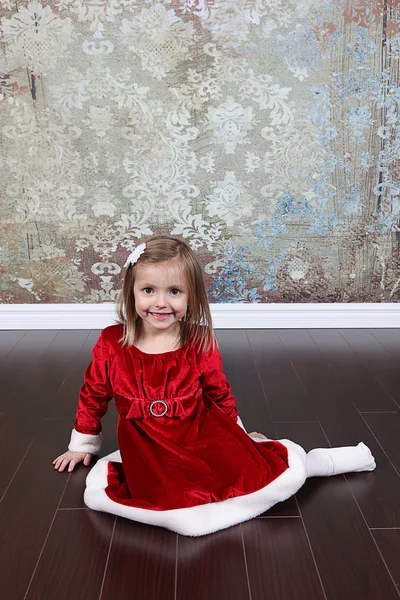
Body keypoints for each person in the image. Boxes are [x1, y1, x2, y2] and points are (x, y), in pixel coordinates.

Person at [53, 235, 376, 536]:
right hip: (150, 449)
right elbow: (93, 394)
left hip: (200, 436)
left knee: (254, 471)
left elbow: (219, 394)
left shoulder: (198, 341)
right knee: (175, 500)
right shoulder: (112, 342)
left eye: (174, 292)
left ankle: (323, 462)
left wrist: (239, 434)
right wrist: (82, 444)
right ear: (131, 292)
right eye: (148, 290)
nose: (161, 303)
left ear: (191, 296)